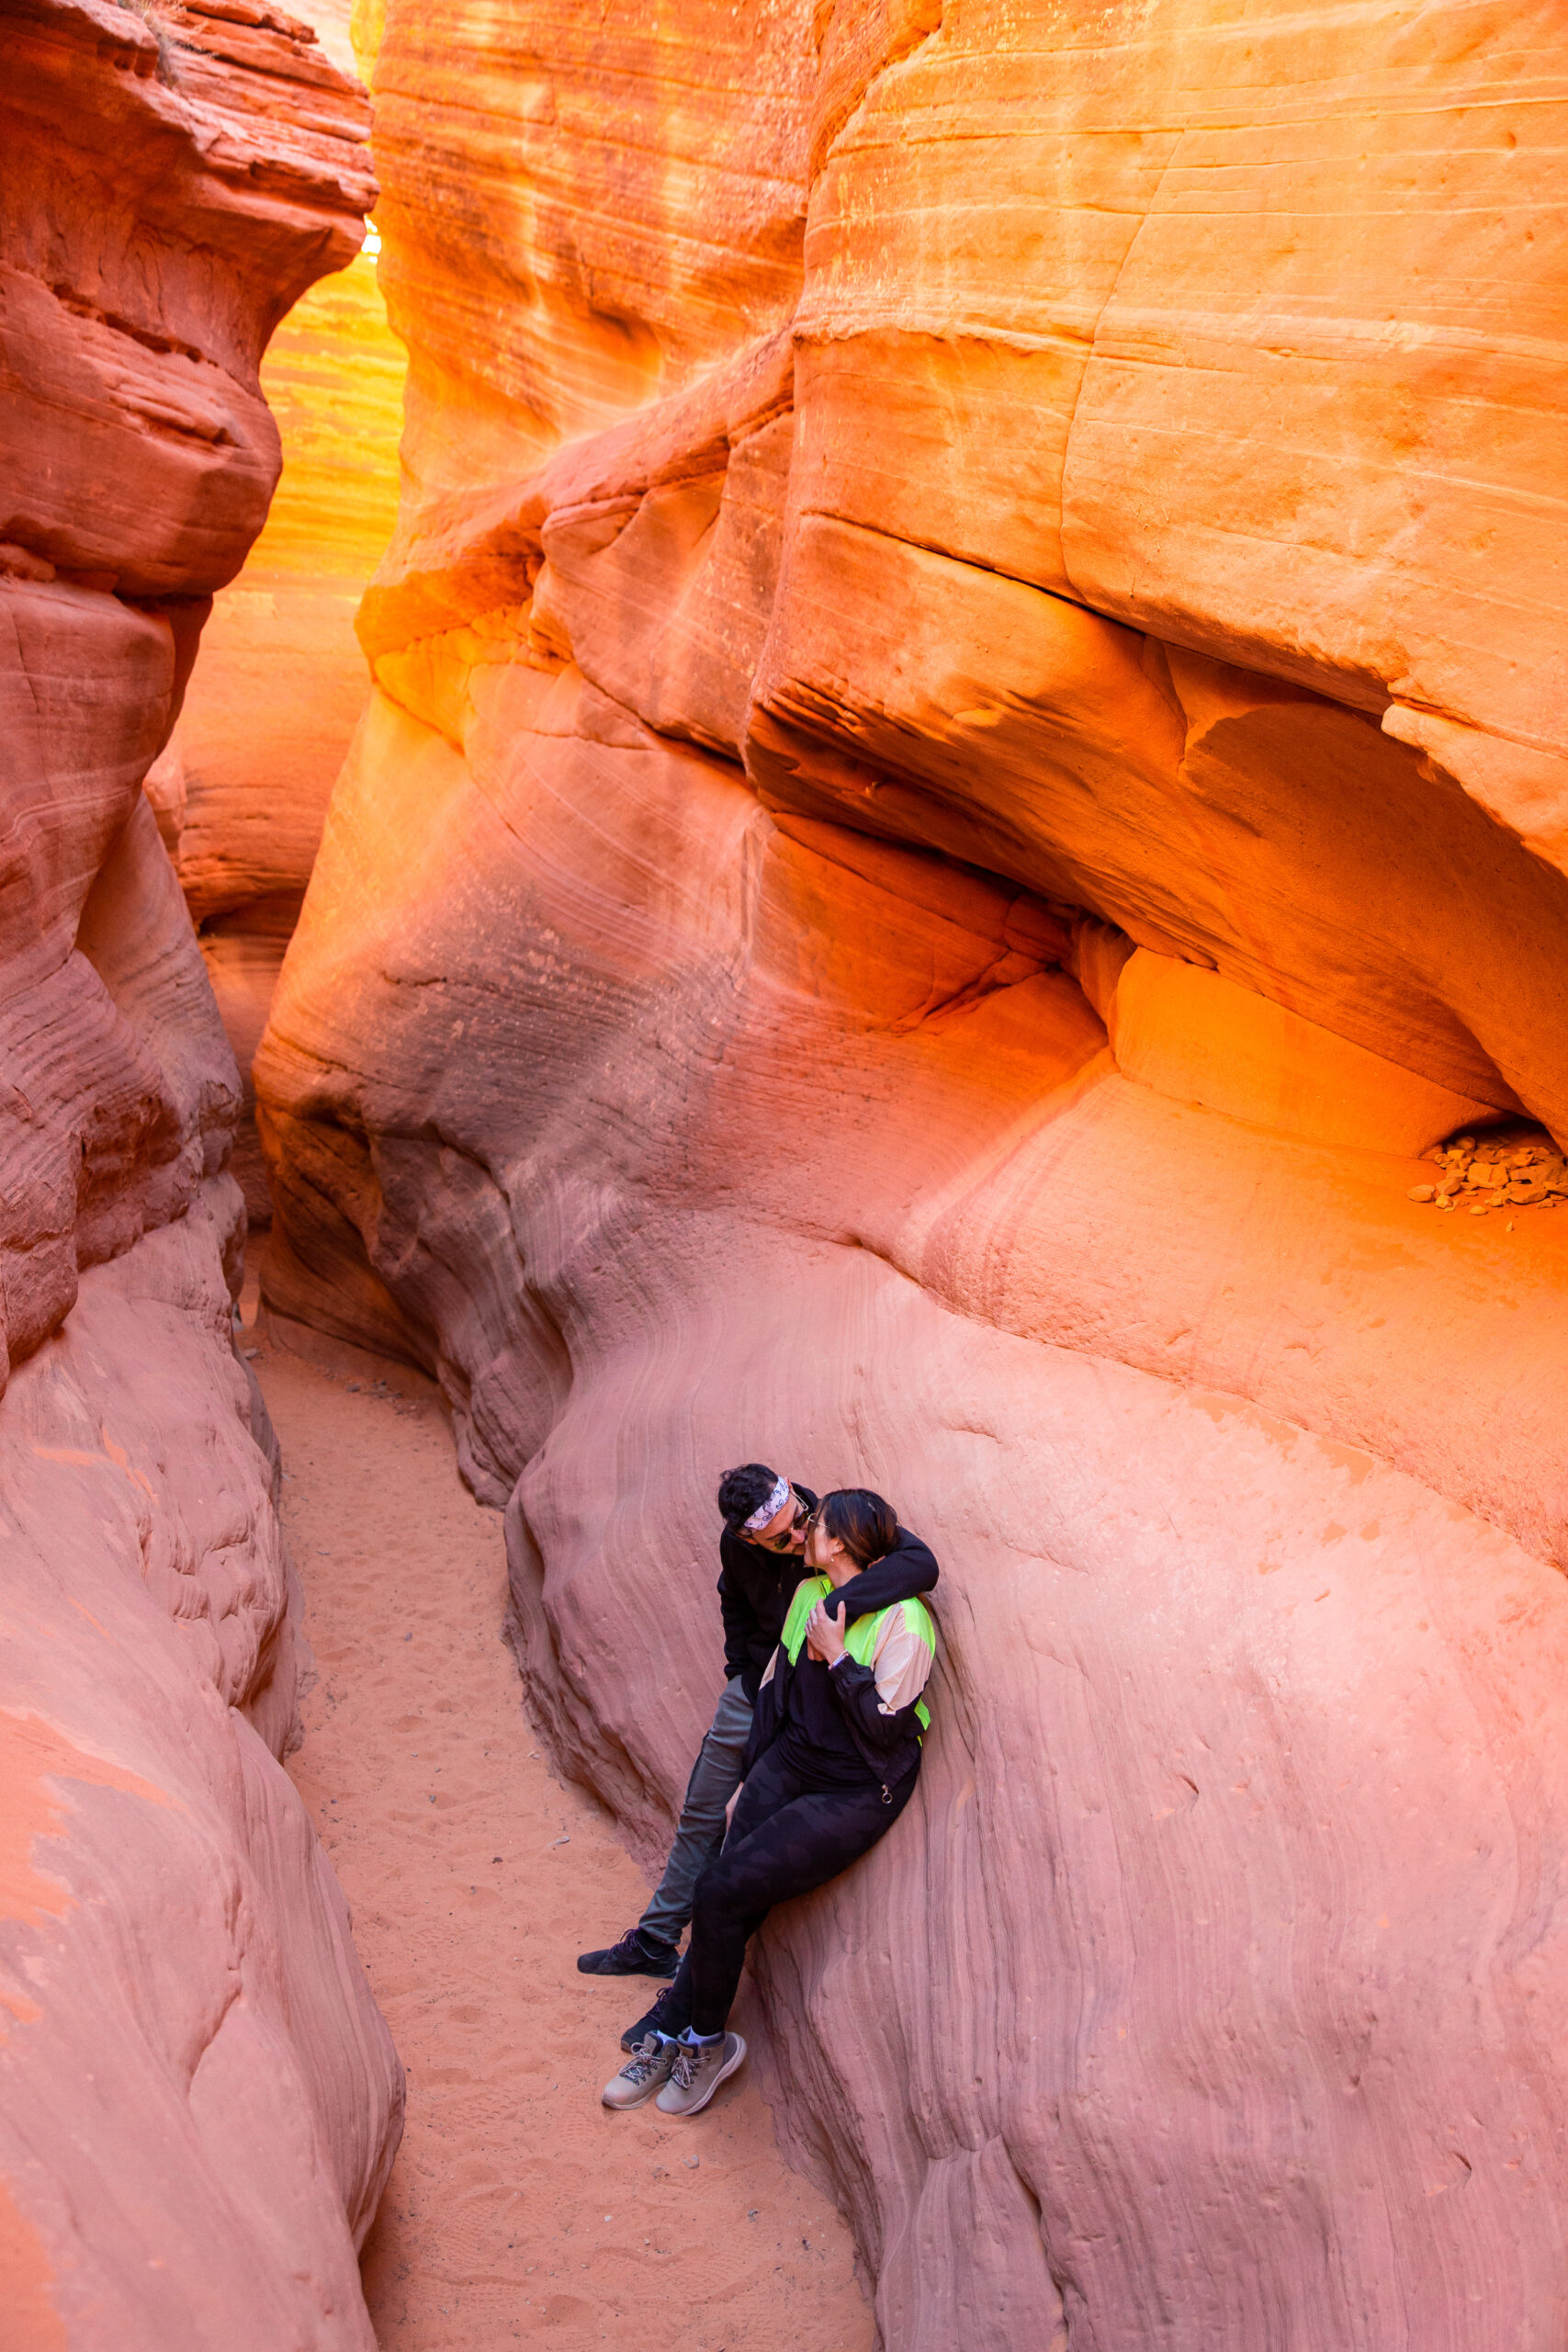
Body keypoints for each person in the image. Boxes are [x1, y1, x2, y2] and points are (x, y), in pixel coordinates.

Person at [602, 1487, 936, 2118]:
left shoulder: (905, 1621)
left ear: (837, 1542)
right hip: (791, 1765)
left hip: (855, 1787)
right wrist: (748, 1783)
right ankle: (675, 2031)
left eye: (815, 1526)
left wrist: (838, 1658)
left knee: (722, 1891)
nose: (803, 1533)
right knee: (723, 1889)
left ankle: (701, 2043)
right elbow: (778, 1691)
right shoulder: (809, 1593)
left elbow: (885, 1728)